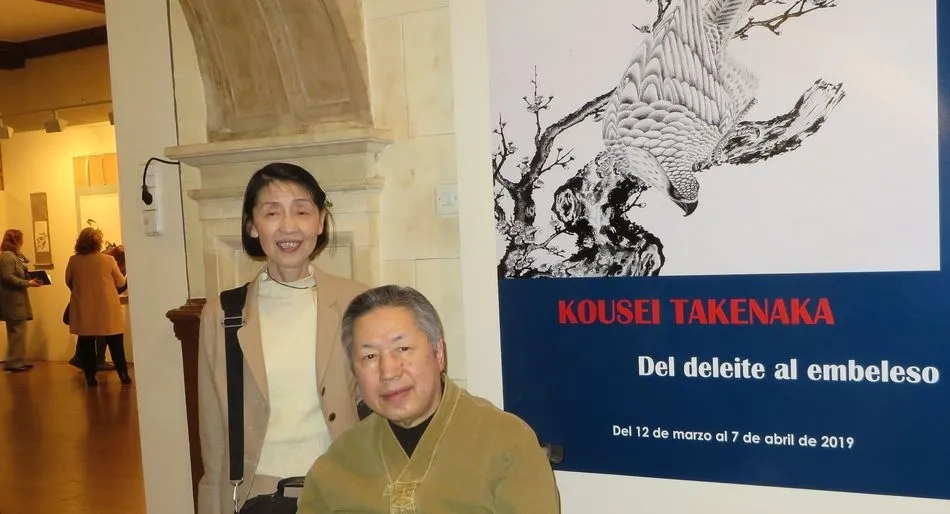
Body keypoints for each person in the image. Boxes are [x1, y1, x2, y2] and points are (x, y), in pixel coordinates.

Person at [197, 162, 369, 514]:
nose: (288, 226)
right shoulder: (224, 313)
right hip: (258, 496)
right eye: (272, 212)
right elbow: (213, 434)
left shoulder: (358, 303)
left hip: (341, 492)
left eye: (302, 211)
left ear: (319, 222)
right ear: (252, 225)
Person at [297, 285, 561, 513]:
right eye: (370, 357)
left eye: (403, 349)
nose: (388, 371)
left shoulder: (508, 444)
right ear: (354, 372)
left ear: (439, 353)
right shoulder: (337, 463)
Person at [66, 228, 130, 386]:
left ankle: (90, 376)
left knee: (87, 344)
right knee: (116, 343)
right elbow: (121, 282)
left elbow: (69, 281)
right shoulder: (107, 260)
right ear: (98, 242)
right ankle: (123, 374)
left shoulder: (74, 260)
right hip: (107, 307)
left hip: (83, 307)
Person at [0, 229, 43, 372]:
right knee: (16, 332)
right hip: (12, 300)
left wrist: (29, 279)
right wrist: (27, 283)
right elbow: (7, 277)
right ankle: (14, 362)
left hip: (17, 298)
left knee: (19, 331)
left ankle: (19, 359)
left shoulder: (14, 256)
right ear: (16, 240)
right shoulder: (7, 256)